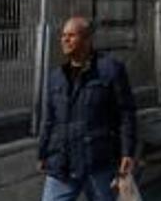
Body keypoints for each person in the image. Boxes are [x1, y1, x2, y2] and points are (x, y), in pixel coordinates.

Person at [39, 16, 137, 201]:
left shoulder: (110, 70)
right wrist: (42, 152)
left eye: (71, 35)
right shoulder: (56, 77)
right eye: (63, 36)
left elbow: (126, 112)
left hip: (98, 162)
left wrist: (127, 151)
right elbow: (50, 118)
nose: (65, 40)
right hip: (62, 163)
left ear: (87, 40)